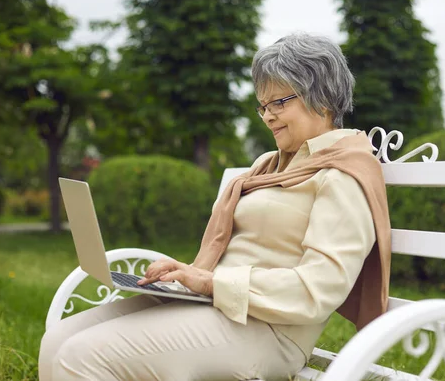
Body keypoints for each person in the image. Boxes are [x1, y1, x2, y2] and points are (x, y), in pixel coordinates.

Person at [38, 33, 391, 381]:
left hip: (270, 330)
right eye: (263, 106)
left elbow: (318, 288)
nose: (267, 117)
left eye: (279, 103)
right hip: (217, 305)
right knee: (57, 341)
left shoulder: (343, 173)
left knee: (79, 356)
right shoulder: (270, 164)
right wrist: (189, 275)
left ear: (323, 99)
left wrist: (211, 283)